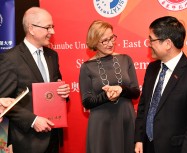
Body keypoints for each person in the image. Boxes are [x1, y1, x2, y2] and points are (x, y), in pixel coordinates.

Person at [134, 16, 187, 153]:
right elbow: (143, 106)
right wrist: (139, 138)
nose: (149, 44)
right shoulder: (152, 69)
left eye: (152, 39)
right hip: (147, 146)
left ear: (168, 43)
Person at [0, 7, 70, 153]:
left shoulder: (52, 55)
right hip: (27, 140)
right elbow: (4, 101)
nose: (52, 32)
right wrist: (32, 120)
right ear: (31, 29)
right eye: (48, 27)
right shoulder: (11, 59)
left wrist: (63, 92)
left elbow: (56, 86)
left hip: (53, 134)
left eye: (53, 27)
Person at [79, 20, 140, 153]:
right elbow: (87, 102)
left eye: (112, 37)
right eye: (105, 40)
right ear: (94, 42)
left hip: (126, 119)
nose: (111, 43)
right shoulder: (87, 67)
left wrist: (121, 90)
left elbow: (136, 92)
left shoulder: (125, 59)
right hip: (102, 124)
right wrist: (106, 96)